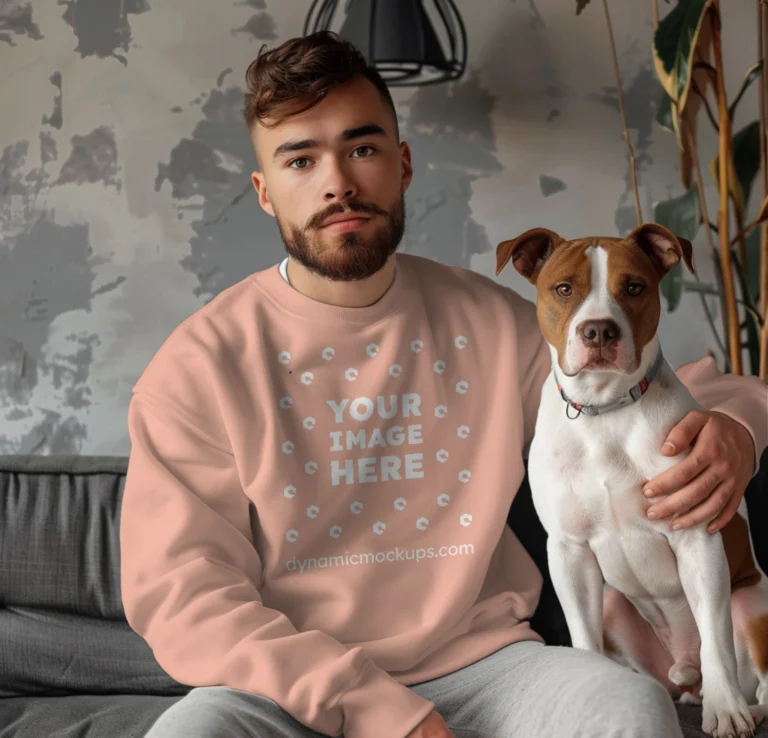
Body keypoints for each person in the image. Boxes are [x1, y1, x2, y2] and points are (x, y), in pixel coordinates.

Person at [121, 31, 768, 738]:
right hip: (283, 689)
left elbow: (663, 387)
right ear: (265, 193)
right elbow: (184, 596)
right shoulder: (199, 365)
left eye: (361, 148)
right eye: (300, 159)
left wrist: (735, 430)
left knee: (628, 710)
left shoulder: (493, 323)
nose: (337, 181)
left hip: (489, 670)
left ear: (402, 166)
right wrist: (374, 709)